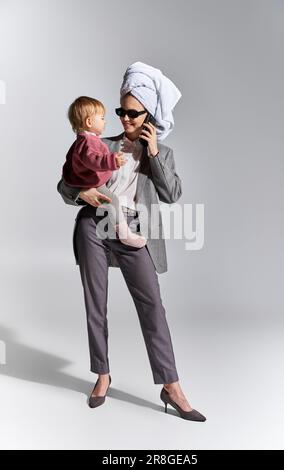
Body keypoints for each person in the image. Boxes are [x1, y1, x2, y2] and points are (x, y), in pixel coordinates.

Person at [57, 62, 206, 421]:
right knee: (96, 304)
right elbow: (64, 186)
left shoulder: (162, 154)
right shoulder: (96, 143)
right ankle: (102, 375)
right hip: (94, 226)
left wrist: (153, 153)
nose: (123, 119)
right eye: (121, 111)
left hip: (136, 233)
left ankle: (170, 384)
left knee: (152, 307)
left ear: (149, 114)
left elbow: (172, 194)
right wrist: (85, 194)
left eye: (132, 113)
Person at [62, 96, 146, 248]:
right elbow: (92, 159)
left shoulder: (82, 140)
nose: (105, 121)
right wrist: (112, 161)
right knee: (113, 200)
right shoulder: (89, 141)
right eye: (101, 118)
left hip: (93, 185)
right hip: (91, 186)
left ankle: (121, 231)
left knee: (109, 202)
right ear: (89, 122)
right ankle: (124, 234)